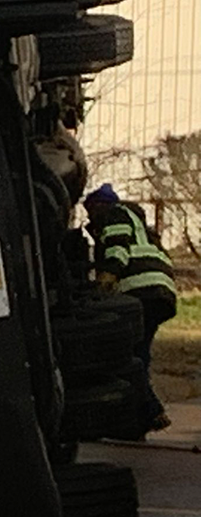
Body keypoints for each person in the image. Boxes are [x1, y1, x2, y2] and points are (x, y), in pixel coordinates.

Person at [82, 183, 177, 433]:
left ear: (99, 205)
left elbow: (117, 248)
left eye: (90, 211)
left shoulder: (115, 214)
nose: (90, 218)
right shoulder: (139, 223)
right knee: (139, 351)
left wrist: (105, 279)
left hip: (140, 289)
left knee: (128, 354)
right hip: (159, 291)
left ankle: (150, 411)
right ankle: (141, 415)